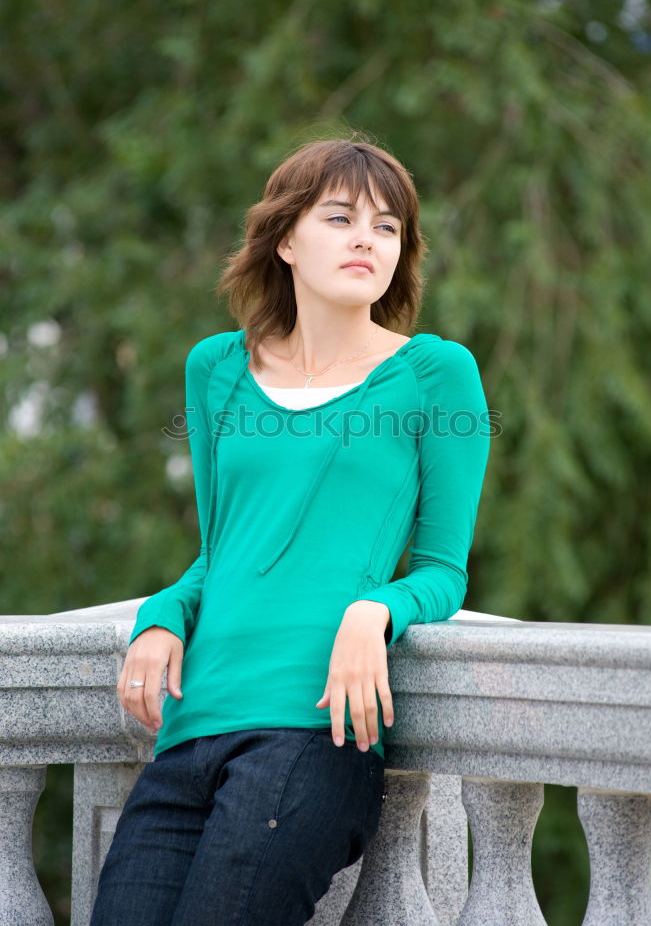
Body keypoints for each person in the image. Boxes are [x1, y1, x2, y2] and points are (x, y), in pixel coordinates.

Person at [90, 136, 491, 925]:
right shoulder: (217, 369)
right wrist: (163, 615)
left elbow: (443, 570)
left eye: (387, 227)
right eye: (339, 218)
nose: (365, 240)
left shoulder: (433, 375)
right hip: (189, 729)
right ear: (284, 239)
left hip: (311, 737)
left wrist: (372, 610)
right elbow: (223, 551)